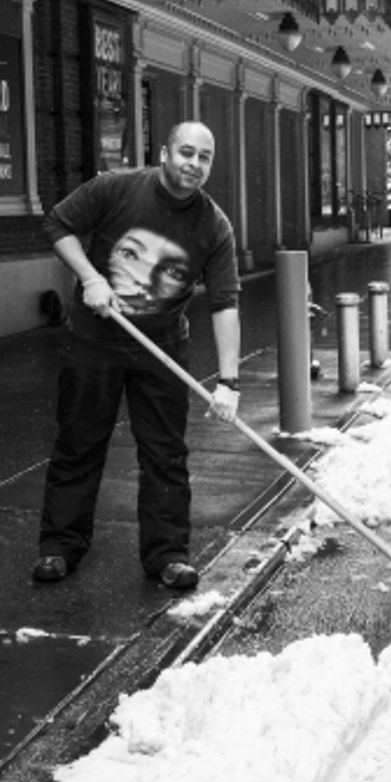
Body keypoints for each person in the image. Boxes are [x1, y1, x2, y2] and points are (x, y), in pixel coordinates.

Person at [32, 121, 242, 591]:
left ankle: (168, 555)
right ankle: (59, 547)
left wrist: (229, 382)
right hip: (93, 343)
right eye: (186, 152)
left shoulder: (213, 225)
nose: (194, 163)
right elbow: (57, 224)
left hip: (162, 349)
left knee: (165, 453)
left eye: (204, 157)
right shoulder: (116, 189)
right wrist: (89, 276)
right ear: (165, 152)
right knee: (79, 443)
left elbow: (225, 302)